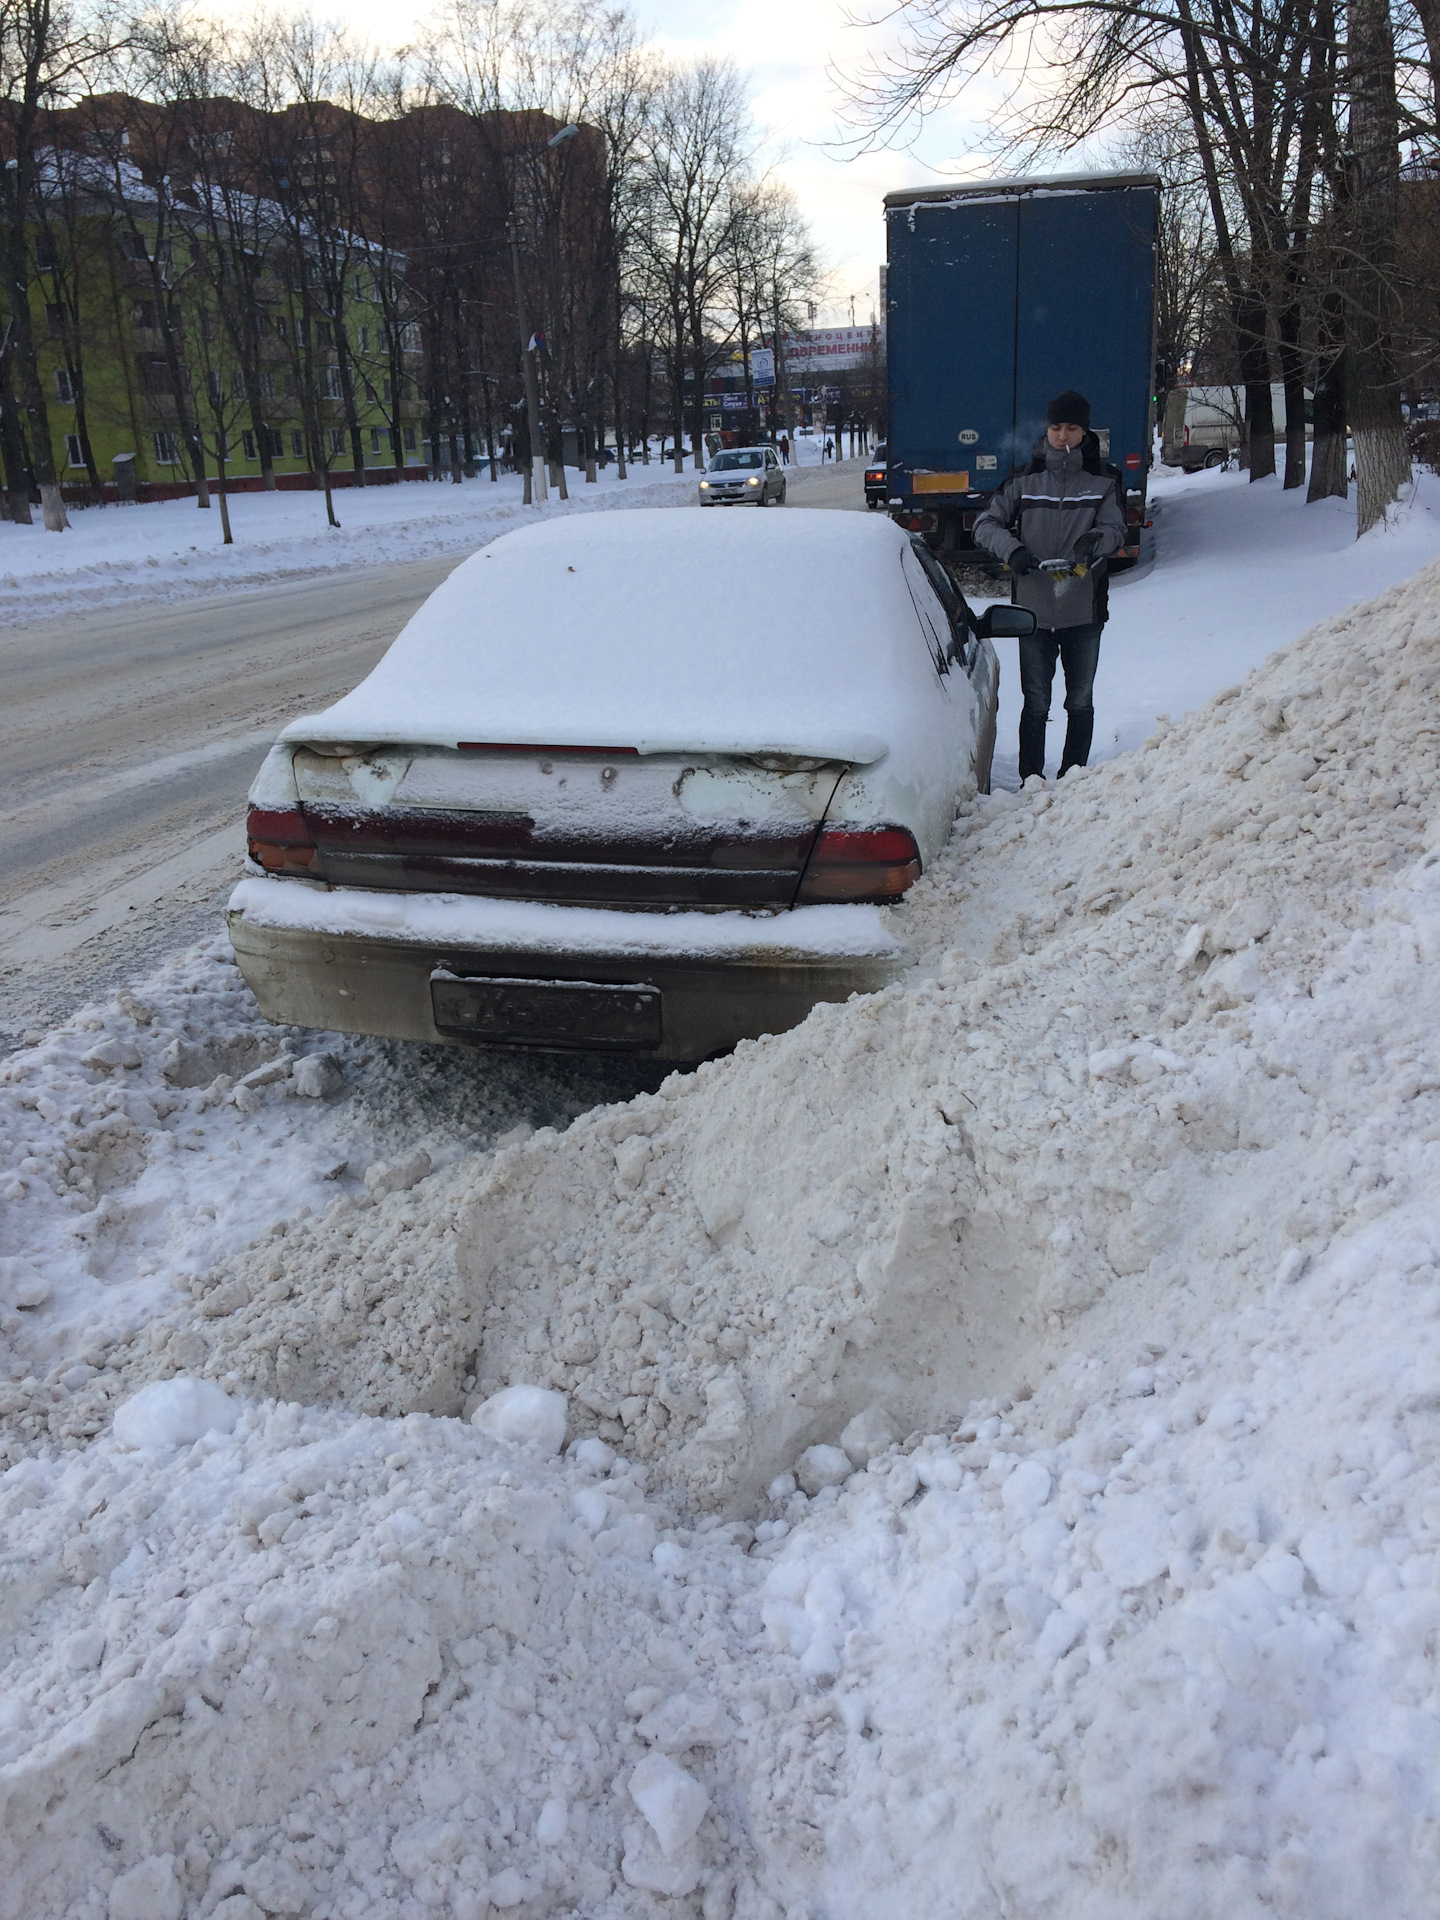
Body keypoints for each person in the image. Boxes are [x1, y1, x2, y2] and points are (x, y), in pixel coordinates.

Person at [973, 389, 1127, 780]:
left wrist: (1097, 541)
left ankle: (1073, 778)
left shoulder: (1104, 479)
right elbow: (984, 524)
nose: (1063, 435)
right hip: (1033, 614)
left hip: (1084, 612)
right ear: (1047, 428)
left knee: (1080, 701)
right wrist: (1014, 551)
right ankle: (1031, 781)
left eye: (1071, 427)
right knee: (1036, 703)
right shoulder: (1025, 479)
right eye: (1056, 426)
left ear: (1084, 431)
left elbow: (1116, 530)